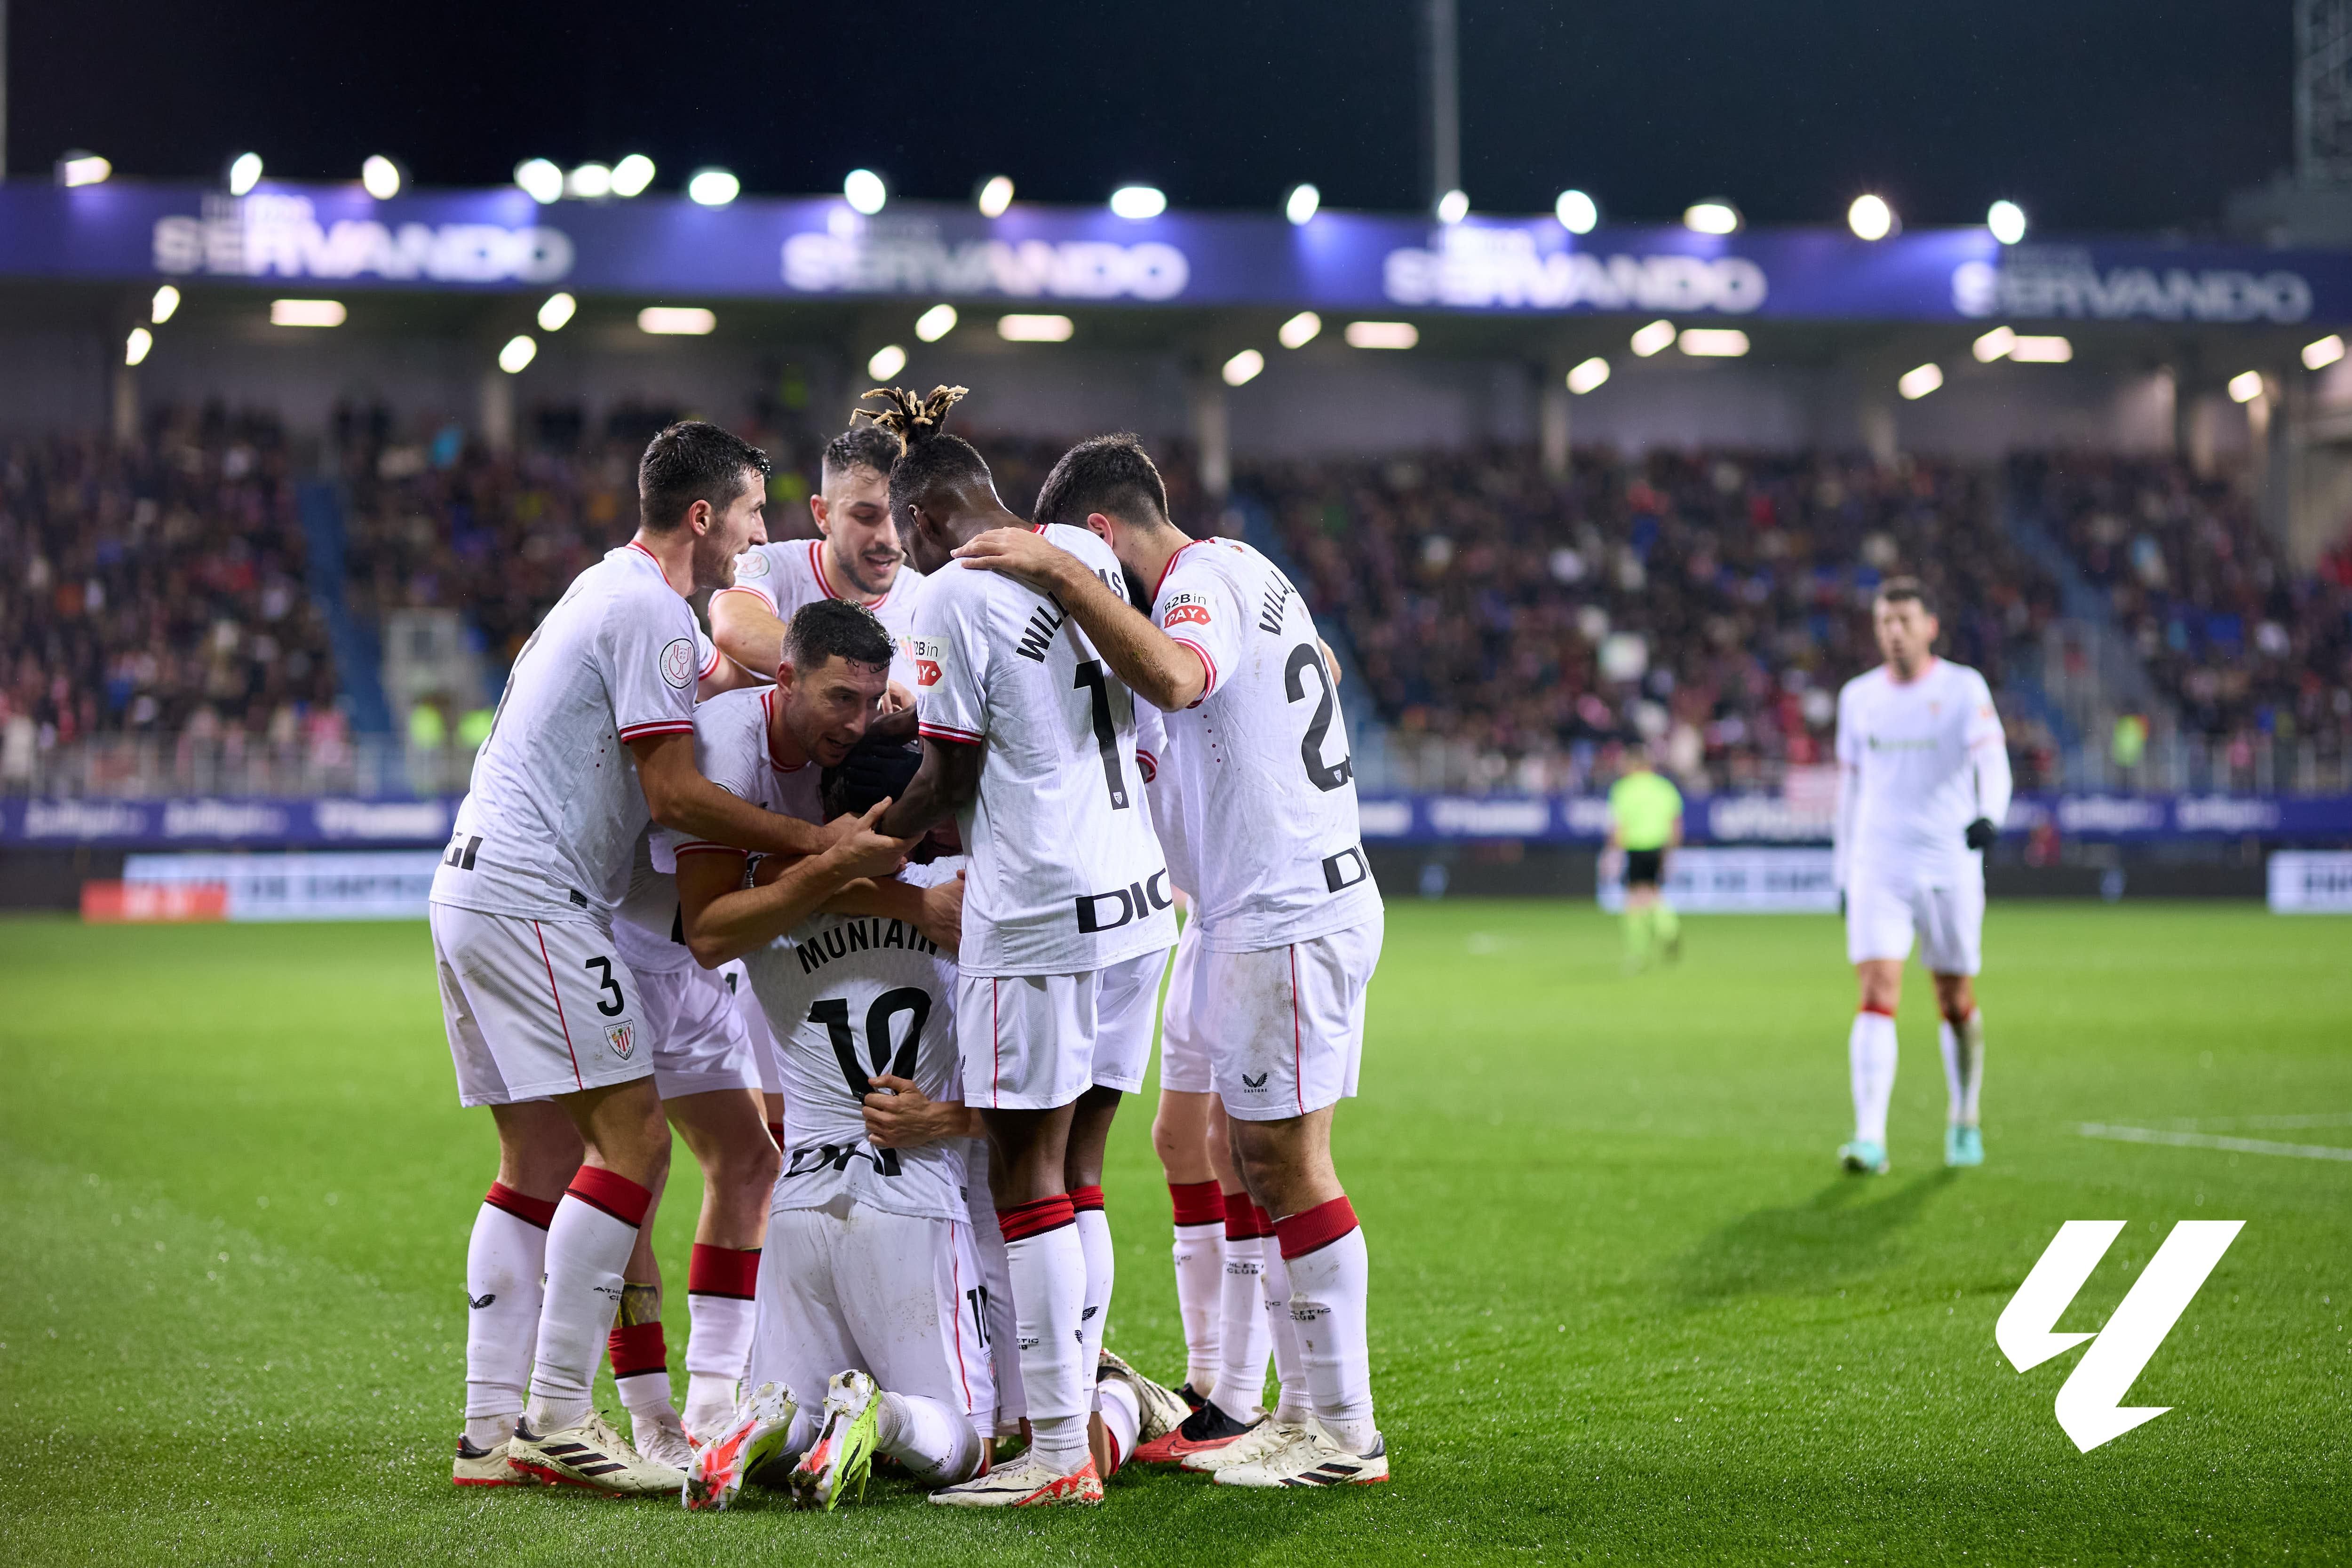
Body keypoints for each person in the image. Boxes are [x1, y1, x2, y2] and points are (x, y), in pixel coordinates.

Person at [432, 421, 906, 1496]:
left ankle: (489, 1433)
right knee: (634, 1144)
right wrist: (820, 843)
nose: (756, 533)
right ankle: (562, 1419)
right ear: (706, 515)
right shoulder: (646, 603)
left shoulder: (611, 595)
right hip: (538, 895)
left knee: (544, 1167)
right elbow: (677, 798)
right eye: (749, 513)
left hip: (477, 883)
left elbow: (711, 661)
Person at [957, 431, 1388, 1487]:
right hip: (1262, 908)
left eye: (1079, 556)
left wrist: (1053, 570)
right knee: (1235, 1152)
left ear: (1100, 535)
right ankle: (1272, 1405)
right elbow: (1304, 668)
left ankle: (1343, 1430)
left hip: (1282, 910)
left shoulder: (1196, 581)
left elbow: (1186, 679)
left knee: (1285, 1159)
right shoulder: (1238, 572)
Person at [866, 387, 1176, 1508]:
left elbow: (948, 777)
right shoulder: (1082, 559)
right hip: (1138, 897)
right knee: (1083, 1168)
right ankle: (1083, 1408)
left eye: (904, 537)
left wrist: (870, 842)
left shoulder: (952, 591)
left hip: (1039, 904)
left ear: (928, 518)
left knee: (1022, 1173)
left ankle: (1051, 1456)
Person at [1831, 576, 2011, 1175]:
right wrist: (1842, 868)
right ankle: (1869, 1138)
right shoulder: (1857, 697)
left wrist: (1990, 815)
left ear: (1930, 626)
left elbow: (1993, 761)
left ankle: (1963, 1116)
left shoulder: (1962, 689)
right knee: (1876, 992)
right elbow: (1849, 788)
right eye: (1884, 622)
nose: (1894, 632)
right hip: (1877, 864)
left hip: (1946, 862)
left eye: (1905, 620)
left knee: (1953, 997)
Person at [708, 422, 927, 698]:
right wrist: (859, 685)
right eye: (865, 517)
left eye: (901, 518)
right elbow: (735, 626)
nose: (888, 538)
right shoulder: (774, 566)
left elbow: (940, 715)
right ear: (823, 515)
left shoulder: (929, 602)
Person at [1604, 750, 1684, 969]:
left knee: (1633, 900)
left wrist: (1613, 854)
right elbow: (1676, 824)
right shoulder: (1665, 788)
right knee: (1653, 891)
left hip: (1636, 846)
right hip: (1659, 846)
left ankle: (1637, 955)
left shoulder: (1624, 789)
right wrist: (1671, 851)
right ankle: (1670, 928)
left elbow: (1618, 826)